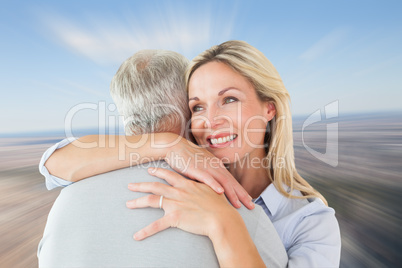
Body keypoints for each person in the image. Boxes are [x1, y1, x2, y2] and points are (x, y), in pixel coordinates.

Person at [44, 41, 341, 267]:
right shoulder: (174, 174)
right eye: (197, 106)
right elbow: (53, 164)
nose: (210, 120)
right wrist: (167, 144)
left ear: (269, 107)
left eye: (229, 99)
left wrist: (223, 221)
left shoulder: (310, 222)